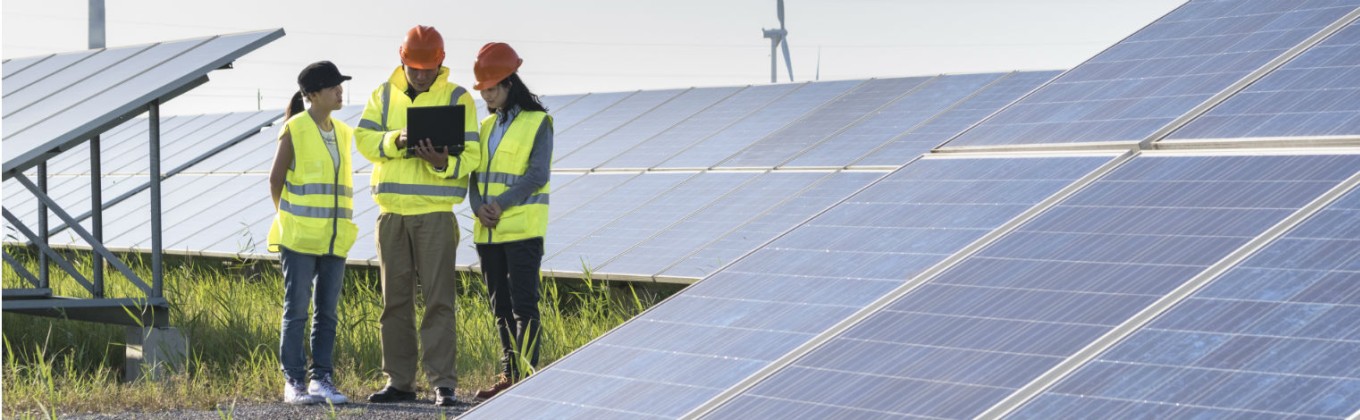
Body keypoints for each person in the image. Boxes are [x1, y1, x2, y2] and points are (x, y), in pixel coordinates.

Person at [354, 25, 480, 407]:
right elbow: (363, 140)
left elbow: (472, 156)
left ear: (441, 63)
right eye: (416, 68)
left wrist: (444, 163)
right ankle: (400, 382)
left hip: (436, 216)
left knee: (439, 302)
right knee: (394, 303)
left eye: (429, 68)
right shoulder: (382, 94)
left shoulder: (459, 97)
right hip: (391, 216)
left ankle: (443, 383)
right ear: (402, 60)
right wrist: (397, 140)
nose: (422, 75)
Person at [466, 42, 553, 400]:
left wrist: (499, 205)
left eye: (490, 88)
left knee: (524, 307)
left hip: (522, 231)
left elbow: (537, 175)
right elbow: (471, 174)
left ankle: (527, 379)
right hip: (487, 233)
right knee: (500, 308)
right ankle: (509, 375)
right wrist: (477, 207)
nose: (485, 95)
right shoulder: (484, 127)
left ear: (508, 83)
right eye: (482, 89)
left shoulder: (538, 122)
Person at [267, 60, 356, 406]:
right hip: (300, 239)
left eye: (340, 85)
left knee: (328, 312)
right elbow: (275, 181)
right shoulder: (296, 128)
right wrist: (289, 219)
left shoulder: (344, 133)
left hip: (335, 239)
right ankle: (294, 381)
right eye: (333, 86)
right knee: (297, 310)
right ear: (312, 95)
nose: (340, 90)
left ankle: (321, 379)